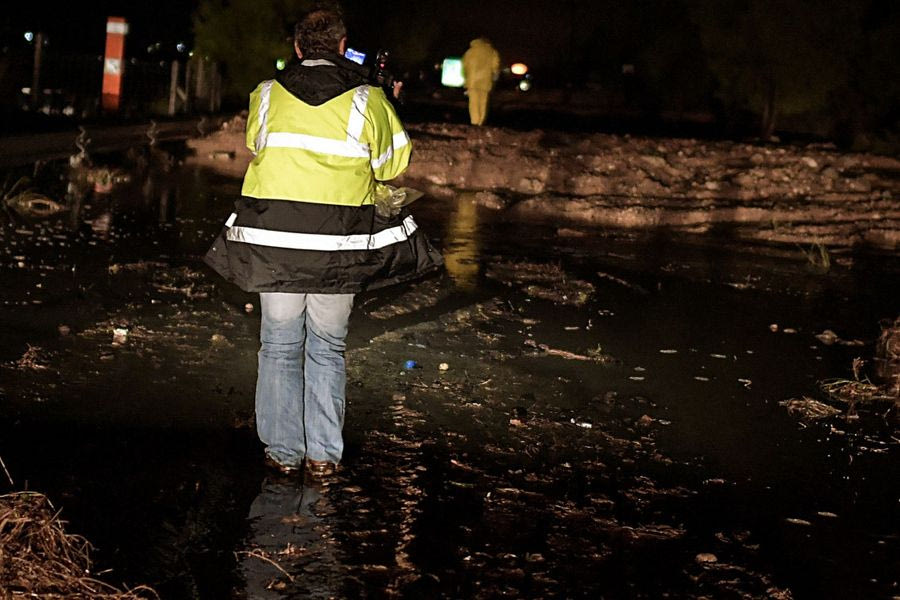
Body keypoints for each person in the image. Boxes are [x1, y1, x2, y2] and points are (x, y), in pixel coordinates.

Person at [204, 8, 443, 478]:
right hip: (339, 244)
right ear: (341, 45)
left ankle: (282, 453)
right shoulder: (368, 99)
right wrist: (390, 104)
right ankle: (322, 458)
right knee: (327, 348)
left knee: (277, 345)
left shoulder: (266, 94)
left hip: (274, 242)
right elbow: (394, 165)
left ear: (296, 48)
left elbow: (259, 143)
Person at [462, 37, 501, 126]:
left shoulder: (470, 52)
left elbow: (464, 66)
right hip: (485, 81)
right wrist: (495, 76)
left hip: (472, 81)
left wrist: (465, 78)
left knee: (473, 102)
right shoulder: (491, 51)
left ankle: (474, 121)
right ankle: (481, 121)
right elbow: (496, 65)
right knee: (483, 102)